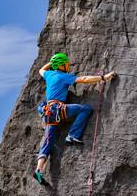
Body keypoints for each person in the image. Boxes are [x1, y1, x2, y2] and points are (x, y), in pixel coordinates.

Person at [33, 53, 116, 184]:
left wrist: (51, 62)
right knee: (85, 109)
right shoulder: (63, 76)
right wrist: (103, 78)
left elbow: (41, 70)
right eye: (66, 63)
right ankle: (72, 135)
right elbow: (83, 79)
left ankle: (38, 170)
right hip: (58, 109)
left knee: (48, 142)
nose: (68, 66)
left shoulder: (49, 75)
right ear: (61, 65)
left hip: (48, 113)